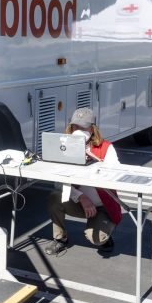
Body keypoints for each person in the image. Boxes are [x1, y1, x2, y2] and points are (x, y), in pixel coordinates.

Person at [45, 108, 123, 256]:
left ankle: (105, 232)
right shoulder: (65, 147)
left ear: (92, 129)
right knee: (55, 196)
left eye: (84, 127)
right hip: (80, 203)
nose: (78, 130)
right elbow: (59, 182)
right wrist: (81, 197)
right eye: (76, 126)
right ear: (71, 127)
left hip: (102, 206)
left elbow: (116, 174)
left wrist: (95, 160)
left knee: (96, 238)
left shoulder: (106, 147)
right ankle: (60, 239)